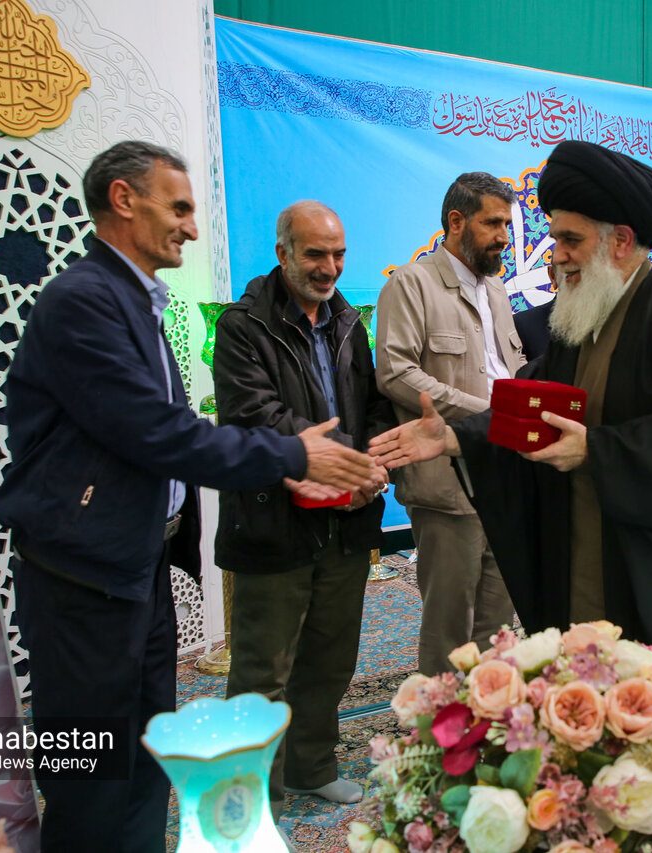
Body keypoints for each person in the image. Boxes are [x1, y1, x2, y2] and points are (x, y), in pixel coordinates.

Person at [0, 142, 374, 852]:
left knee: (142, 759)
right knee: (91, 771)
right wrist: (296, 453)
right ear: (123, 199)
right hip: (83, 576)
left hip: (134, 566)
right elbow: (158, 432)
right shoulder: (85, 301)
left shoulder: (133, 300)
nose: (193, 228)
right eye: (179, 208)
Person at [369, 140, 652, 736]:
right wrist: (457, 435)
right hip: (581, 546)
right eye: (556, 238)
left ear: (621, 240)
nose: (557, 256)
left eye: (570, 240)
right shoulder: (582, 313)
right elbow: (533, 400)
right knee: (582, 703)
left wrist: (598, 451)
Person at [213, 201, 395, 811]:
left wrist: (372, 464)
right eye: (316, 254)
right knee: (262, 674)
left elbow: (372, 405)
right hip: (274, 520)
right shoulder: (243, 326)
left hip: (347, 524)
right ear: (282, 253)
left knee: (330, 659)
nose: (330, 267)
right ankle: (248, 801)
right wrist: (348, 463)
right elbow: (256, 417)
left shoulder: (348, 321)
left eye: (339, 254)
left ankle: (310, 767)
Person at [375, 172, 525, 675]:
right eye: (493, 223)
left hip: (505, 475)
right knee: (450, 630)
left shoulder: (497, 290)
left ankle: (488, 721)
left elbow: (509, 370)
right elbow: (395, 371)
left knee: (499, 631)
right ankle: (438, 724)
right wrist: (483, 411)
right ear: (456, 222)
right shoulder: (410, 284)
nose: (504, 236)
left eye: (507, 225)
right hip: (447, 486)